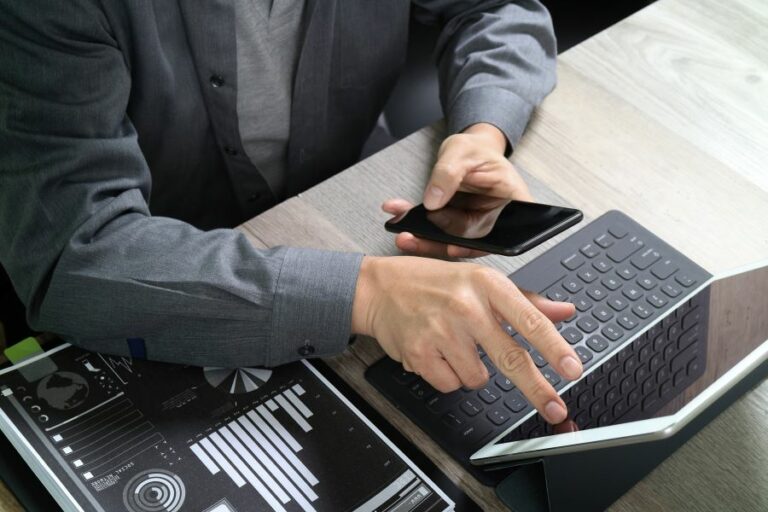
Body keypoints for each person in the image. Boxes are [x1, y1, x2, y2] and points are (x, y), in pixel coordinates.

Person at [0, 0, 581, 425]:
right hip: (167, 290)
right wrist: (367, 295)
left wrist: (481, 132)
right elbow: (75, 251)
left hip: (342, 213)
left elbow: (498, 9)